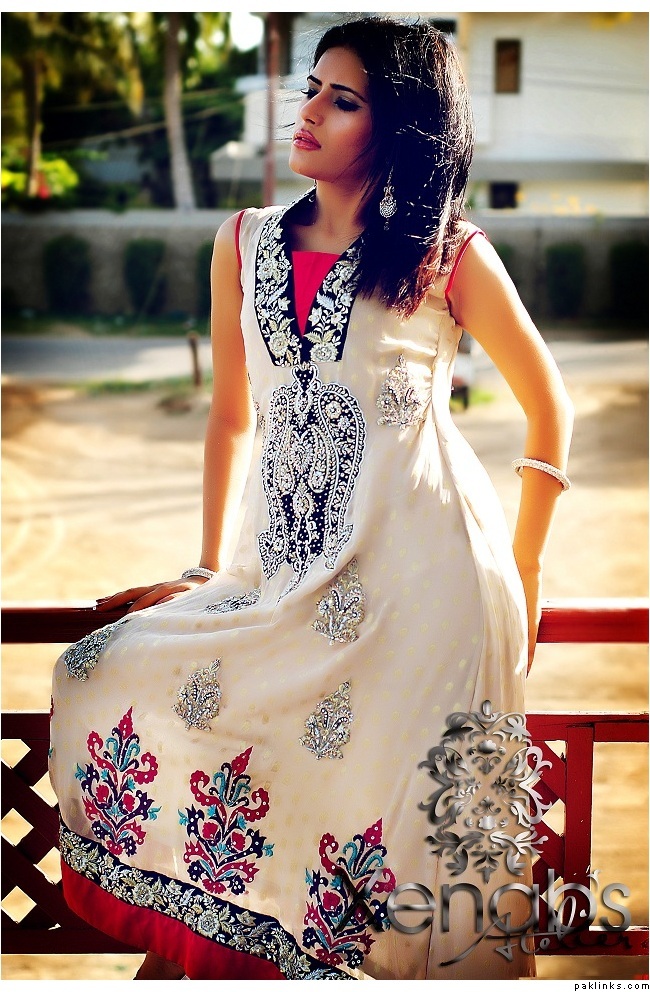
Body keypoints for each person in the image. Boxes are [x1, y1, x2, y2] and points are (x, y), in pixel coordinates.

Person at [49, 16, 573, 981]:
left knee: (407, 822)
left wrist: (525, 568)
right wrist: (205, 570)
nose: (311, 112)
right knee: (94, 672)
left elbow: (551, 408)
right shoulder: (242, 242)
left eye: (344, 99)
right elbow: (230, 419)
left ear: (398, 126)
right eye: (312, 90)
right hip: (282, 575)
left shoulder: (446, 254)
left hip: (431, 587)